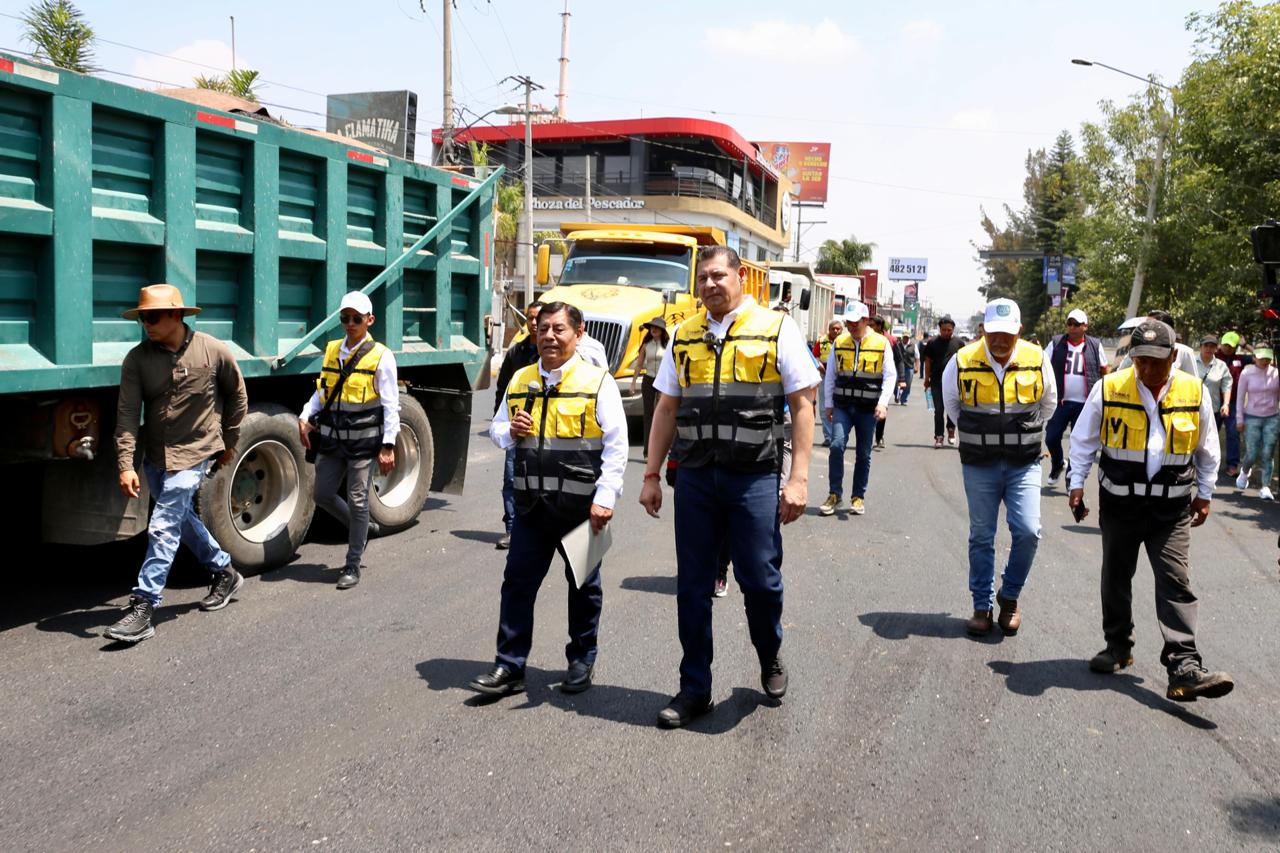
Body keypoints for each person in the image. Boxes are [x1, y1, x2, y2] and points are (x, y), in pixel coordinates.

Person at [640, 246, 818, 729]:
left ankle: (769, 653)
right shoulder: (683, 335)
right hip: (696, 477)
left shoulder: (777, 328)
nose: (710, 285)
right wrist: (652, 474)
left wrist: (798, 479)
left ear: (741, 278)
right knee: (693, 587)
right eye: (703, 278)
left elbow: (803, 405)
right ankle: (694, 688)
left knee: (760, 580)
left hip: (754, 476)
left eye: (719, 275)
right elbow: (666, 408)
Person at [1068, 318, 1234, 701]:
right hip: (1120, 505)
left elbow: (1208, 449)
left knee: (1175, 580)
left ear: (1173, 356)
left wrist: (1205, 493)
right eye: (1140, 360)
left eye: (1156, 361)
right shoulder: (1109, 387)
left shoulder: (1194, 391)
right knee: (1115, 577)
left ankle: (1184, 666)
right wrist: (1076, 484)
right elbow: (1083, 441)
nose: (1147, 368)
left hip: (1170, 510)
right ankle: (1118, 647)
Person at [470, 302, 627, 697]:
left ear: (579, 332)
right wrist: (511, 430)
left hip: (582, 510)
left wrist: (606, 498)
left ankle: (581, 660)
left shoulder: (598, 382)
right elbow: (497, 431)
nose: (550, 336)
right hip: (531, 508)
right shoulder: (521, 378)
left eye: (559, 329)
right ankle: (510, 666)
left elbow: (616, 446)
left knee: (584, 586)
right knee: (517, 585)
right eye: (543, 329)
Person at [106, 284, 248, 644]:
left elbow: (237, 395)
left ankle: (145, 604)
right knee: (182, 520)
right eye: (142, 319)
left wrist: (229, 443)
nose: (147, 325)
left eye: (153, 317)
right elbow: (127, 415)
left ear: (176, 315)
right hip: (157, 457)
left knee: (163, 525)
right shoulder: (137, 360)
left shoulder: (212, 350)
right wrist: (126, 464)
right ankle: (225, 571)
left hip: (195, 452)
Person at [943, 299, 1057, 637]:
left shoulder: (1037, 359)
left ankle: (1010, 596)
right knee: (981, 535)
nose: (1000, 340)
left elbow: (1048, 404)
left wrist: (1021, 434)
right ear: (983, 330)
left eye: (1007, 333)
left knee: (1028, 531)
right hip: (980, 464)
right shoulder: (961, 361)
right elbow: (952, 406)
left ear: (1019, 331)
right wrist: (984, 436)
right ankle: (982, 605)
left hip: (1024, 463)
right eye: (993, 333)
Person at [299, 291, 400, 590]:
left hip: (363, 444)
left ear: (370, 320)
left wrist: (388, 445)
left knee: (358, 500)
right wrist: (305, 415)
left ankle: (352, 563)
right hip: (332, 440)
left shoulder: (382, 356)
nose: (350, 323)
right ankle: (363, 527)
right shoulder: (332, 350)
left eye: (357, 318)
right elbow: (323, 391)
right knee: (322, 494)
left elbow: (391, 405)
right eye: (345, 318)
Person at [820, 303, 895, 516]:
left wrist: (883, 403)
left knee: (863, 453)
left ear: (865, 320)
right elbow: (830, 375)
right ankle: (834, 494)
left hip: (867, 409)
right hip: (842, 406)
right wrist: (828, 404)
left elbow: (890, 376)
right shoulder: (839, 342)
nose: (851, 326)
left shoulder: (881, 343)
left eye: (855, 322)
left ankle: (858, 496)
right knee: (836, 445)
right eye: (849, 322)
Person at [492, 302, 543, 550]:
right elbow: (502, 388)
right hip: (517, 429)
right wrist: (501, 423)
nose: (533, 323)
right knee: (512, 480)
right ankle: (512, 530)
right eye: (530, 318)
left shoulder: (552, 353)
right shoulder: (515, 353)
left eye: (538, 319)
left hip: (544, 431)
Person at [1043, 308, 1109, 486]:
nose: (1072, 327)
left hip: (1085, 404)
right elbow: (1043, 365)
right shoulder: (1056, 343)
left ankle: (1071, 479)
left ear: (1085, 326)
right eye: (1069, 324)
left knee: (1078, 443)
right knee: (1051, 437)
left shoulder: (1095, 345)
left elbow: (1104, 369)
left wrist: (1103, 393)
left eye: (1076, 324)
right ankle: (1058, 463)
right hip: (1061, 402)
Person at [1234, 346, 1279, 500]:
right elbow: (1240, 398)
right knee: (1252, 453)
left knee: (1268, 452)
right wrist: (1239, 419)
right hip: (1252, 417)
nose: (1265, 361)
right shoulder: (1246, 373)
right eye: (1261, 358)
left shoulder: (1276, 373)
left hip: (1272, 417)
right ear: (1254, 358)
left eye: (1268, 358)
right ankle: (1245, 472)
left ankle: (1265, 486)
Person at [629, 316, 669, 460]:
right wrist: (633, 383)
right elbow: (639, 364)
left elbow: (672, 365)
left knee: (661, 414)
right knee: (648, 415)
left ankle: (661, 448)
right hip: (649, 380)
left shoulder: (668, 345)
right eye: (652, 327)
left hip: (662, 381)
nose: (653, 329)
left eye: (657, 327)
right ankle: (647, 452)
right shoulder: (646, 345)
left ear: (662, 330)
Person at [1118, 309, 1198, 375]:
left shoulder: (1185, 353)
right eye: (1143, 361)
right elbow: (1120, 374)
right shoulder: (1137, 350)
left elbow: (1193, 383)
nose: (1149, 370)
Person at [923, 316, 962, 447]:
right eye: (944, 330)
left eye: (949, 330)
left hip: (954, 383)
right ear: (939, 329)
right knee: (938, 410)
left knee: (952, 408)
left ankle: (951, 430)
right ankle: (939, 436)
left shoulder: (959, 343)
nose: (946, 332)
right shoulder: (932, 343)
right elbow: (928, 362)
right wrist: (926, 379)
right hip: (936, 381)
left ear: (953, 329)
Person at [1217, 332, 1253, 477]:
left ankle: (1232, 464)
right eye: (1225, 345)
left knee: (1233, 433)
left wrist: (1246, 346)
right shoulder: (1214, 355)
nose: (1228, 348)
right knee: (1208, 433)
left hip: (1233, 403)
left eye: (1231, 346)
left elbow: (1260, 356)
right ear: (1221, 343)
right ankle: (1201, 464)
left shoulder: (1240, 359)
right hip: (1214, 401)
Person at [869, 316, 902, 448]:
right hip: (868, 380)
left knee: (882, 407)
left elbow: (899, 360)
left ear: (879, 326)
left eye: (872, 325)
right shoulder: (864, 338)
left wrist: (902, 379)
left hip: (885, 380)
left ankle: (879, 436)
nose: (869, 327)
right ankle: (867, 437)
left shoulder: (890, 340)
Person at [1194, 334, 1232, 433]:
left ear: (1216, 348)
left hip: (1213, 409)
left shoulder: (1221, 365)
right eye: (1206, 345)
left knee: (1210, 438)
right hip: (1193, 407)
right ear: (1200, 347)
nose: (1208, 349)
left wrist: (1226, 404)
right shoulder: (1191, 362)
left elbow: (1227, 386)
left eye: (1212, 346)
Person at [813, 320, 843, 446]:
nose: (835, 331)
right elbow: (814, 356)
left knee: (839, 407)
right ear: (829, 330)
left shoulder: (846, 341)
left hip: (841, 378)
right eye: (833, 328)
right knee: (824, 407)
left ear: (841, 330)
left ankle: (838, 436)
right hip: (825, 375)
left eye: (838, 329)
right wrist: (818, 364)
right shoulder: (821, 341)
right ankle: (828, 437)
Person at [897, 333, 917, 405]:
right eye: (904, 337)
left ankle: (903, 399)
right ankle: (897, 396)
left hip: (909, 367)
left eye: (907, 337)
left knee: (907, 384)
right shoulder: (898, 345)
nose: (905, 338)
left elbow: (917, 357)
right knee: (897, 383)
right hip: (899, 367)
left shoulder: (913, 345)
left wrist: (916, 366)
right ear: (902, 337)